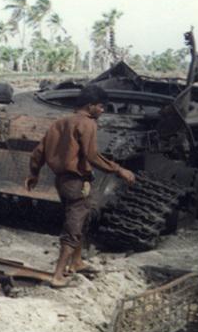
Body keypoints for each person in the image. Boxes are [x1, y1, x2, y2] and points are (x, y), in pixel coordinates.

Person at [25, 85, 135, 287]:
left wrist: (34, 174)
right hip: (76, 181)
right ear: (90, 106)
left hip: (61, 181)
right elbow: (92, 156)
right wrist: (119, 169)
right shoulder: (88, 123)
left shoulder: (60, 122)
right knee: (74, 225)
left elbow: (38, 152)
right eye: (101, 106)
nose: (102, 110)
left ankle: (76, 262)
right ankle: (58, 275)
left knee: (80, 219)